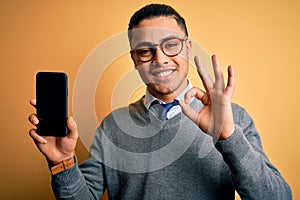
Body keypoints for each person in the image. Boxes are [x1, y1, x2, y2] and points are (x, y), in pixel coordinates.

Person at [28, 3, 292, 200]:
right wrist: (61, 163)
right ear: (134, 59)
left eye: (171, 45)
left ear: (188, 48)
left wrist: (228, 136)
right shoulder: (112, 126)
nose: (161, 59)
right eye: (145, 51)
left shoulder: (235, 119)